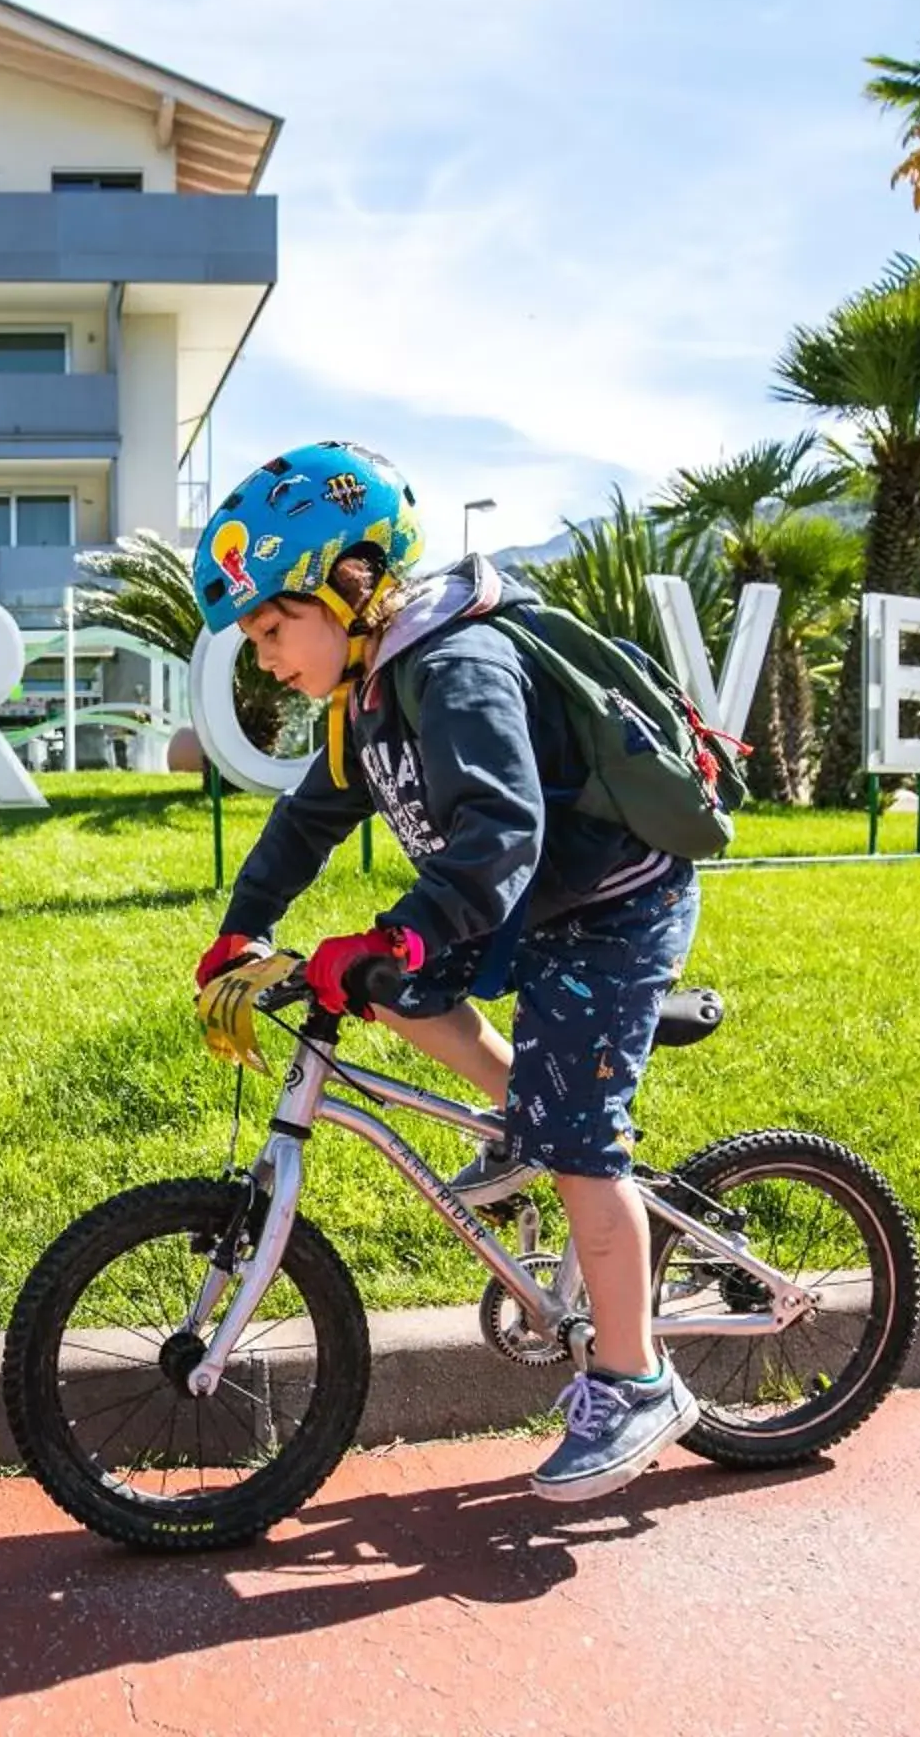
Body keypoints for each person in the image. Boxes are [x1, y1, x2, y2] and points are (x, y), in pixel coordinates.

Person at [189, 440, 705, 1503]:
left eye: (274, 626)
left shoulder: (452, 666)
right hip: (529, 901)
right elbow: (307, 822)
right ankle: (521, 1117)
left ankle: (637, 1378)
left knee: (580, 1144)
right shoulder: (368, 697)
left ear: (352, 581)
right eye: (252, 639)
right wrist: (245, 927)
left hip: (615, 906)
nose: (266, 657)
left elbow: (499, 832)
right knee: (382, 983)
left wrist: (407, 930)